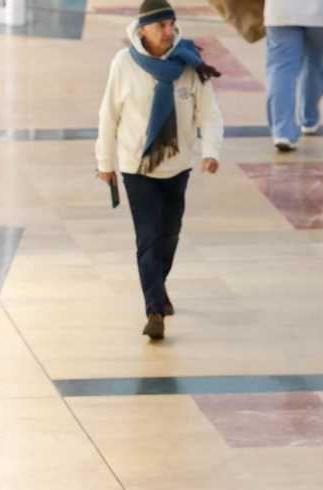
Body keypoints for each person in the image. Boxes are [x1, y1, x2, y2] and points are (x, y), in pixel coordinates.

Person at [96, 0, 225, 341]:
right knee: (149, 237)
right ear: (142, 30)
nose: (168, 32)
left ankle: (158, 284)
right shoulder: (123, 64)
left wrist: (211, 151)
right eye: (160, 26)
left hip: (177, 166)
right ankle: (154, 309)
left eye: (171, 24)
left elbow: (209, 114)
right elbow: (109, 115)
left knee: (169, 235)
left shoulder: (188, 62)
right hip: (135, 167)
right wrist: (104, 163)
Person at [264, 0, 323, 151]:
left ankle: (283, 131)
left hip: (280, 10)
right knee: (314, 65)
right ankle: (309, 118)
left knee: (281, 69)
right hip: (321, 11)